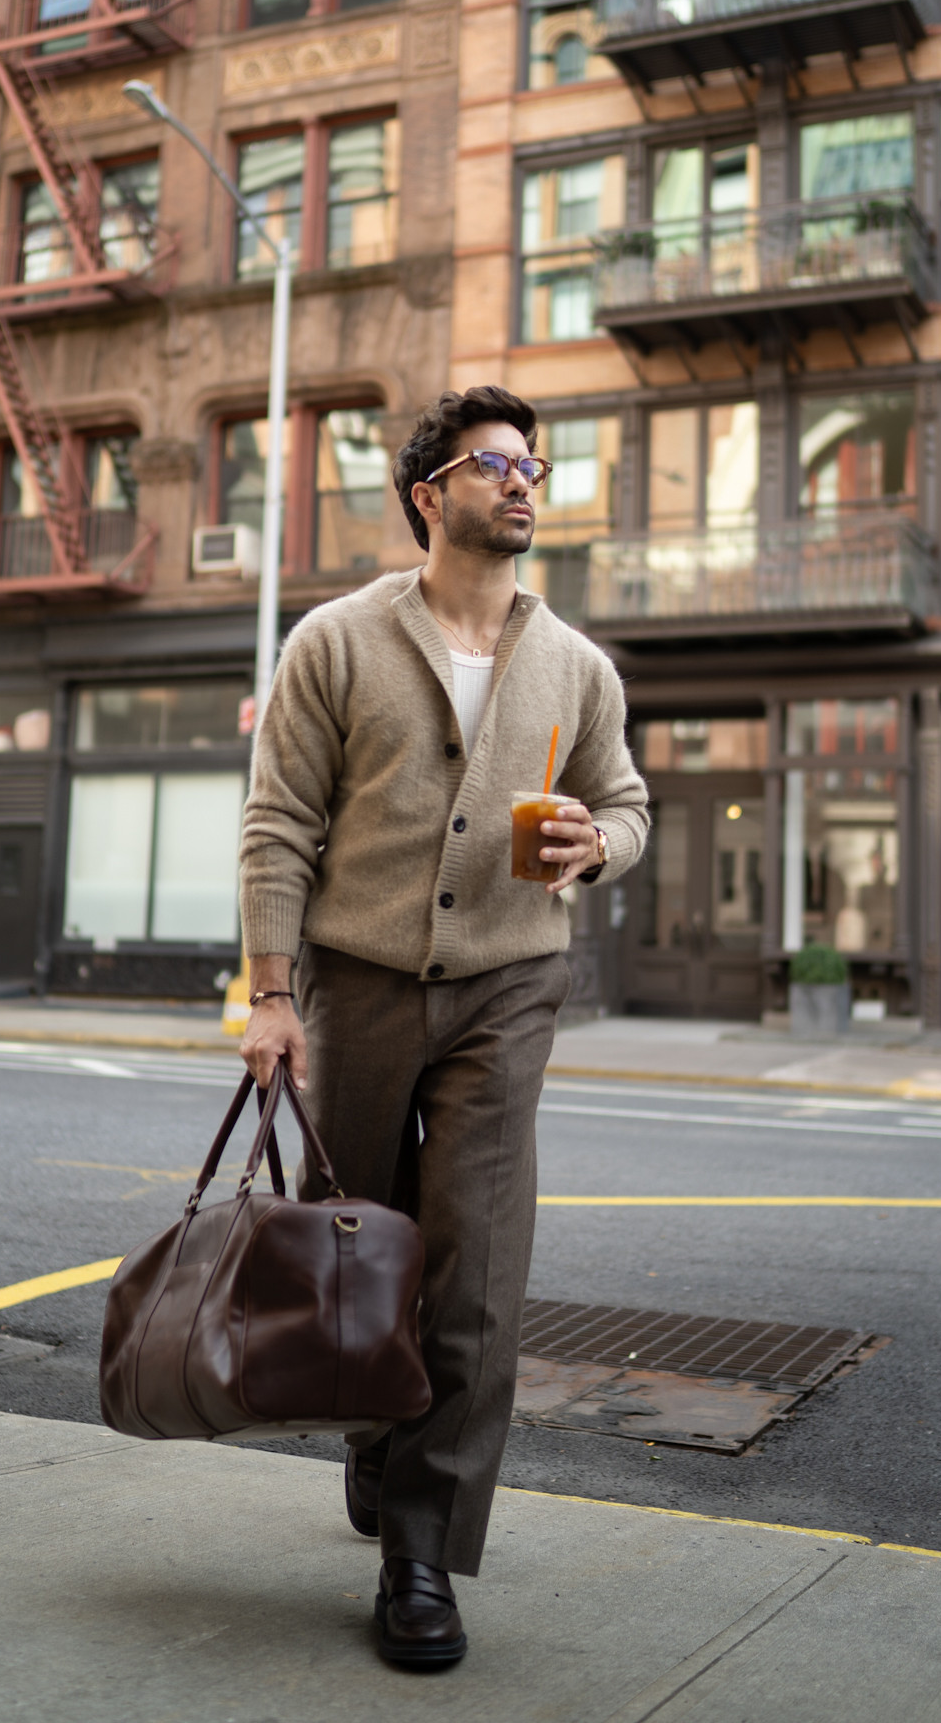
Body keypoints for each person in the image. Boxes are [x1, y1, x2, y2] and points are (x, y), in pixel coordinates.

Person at [238, 385, 648, 1670]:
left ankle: (421, 1547)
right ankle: (373, 1438)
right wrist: (267, 993)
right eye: (495, 464)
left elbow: (626, 801)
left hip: (510, 981)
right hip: (355, 982)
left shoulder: (577, 664)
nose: (523, 483)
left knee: (476, 1267)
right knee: (362, 1239)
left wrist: (600, 846)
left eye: (536, 466)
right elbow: (277, 823)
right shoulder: (337, 640)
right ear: (431, 492)